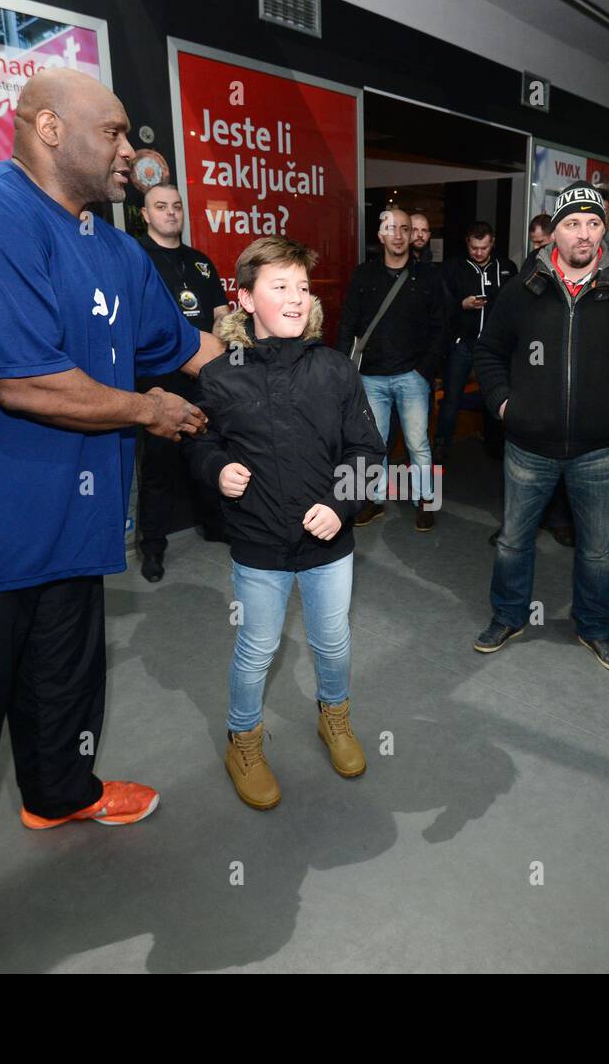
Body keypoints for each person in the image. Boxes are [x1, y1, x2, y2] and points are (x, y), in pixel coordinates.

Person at [0, 68, 222, 974]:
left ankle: (59, 792)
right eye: (114, 132)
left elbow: (183, 349)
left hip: (70, 525)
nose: (132, 153)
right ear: (48, 128)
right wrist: (149, 412)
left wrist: (278, 350)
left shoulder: (112, 248)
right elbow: (22, 381)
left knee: (64, 687)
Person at [183, 236, 385, 810]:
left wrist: (341, 504)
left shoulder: (335, 370)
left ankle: (335, 719)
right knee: (257, 647)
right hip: (258, 544)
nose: (296, 298)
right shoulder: (221, 376)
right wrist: (217, 468)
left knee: (334, 641)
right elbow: (200, 444)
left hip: (330, 543)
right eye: (280, 287)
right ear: (245, 299)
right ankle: (242, 743)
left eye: (302, 287)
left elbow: (369, 452)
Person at [471, 181, 609, 671]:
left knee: (598, 550)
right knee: (515, 541)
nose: (584, 234)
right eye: (573, 223)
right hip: (527, 445)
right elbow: (489, 352)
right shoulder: (522, 289)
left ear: (605, 230)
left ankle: (597, 628)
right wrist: (502, 405)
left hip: (600, 449)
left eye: (594, 223)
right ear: (553, 232)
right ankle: (509, 616)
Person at [135, 182, 229, 581]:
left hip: (204, 380)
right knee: (157, 467)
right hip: (157, 383)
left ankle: (214, 525)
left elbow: (222, 313)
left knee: (207, 454)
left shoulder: (200, 262)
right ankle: (152, 547)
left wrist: (219, 344)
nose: (171, 212)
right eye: (161, 206)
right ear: (145, 214)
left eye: (176, 206)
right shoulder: (134, 258)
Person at [337, 206, 447, 531]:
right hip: (370, 377)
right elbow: (347, 324)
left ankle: (427, 500)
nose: (398, 235)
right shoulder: (363, 275)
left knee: (418, 443)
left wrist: (425, 371)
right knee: (374, 442)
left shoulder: (428, 276)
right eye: (391, 228)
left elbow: (442, 327)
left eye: (404, 228)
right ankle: (374, 500)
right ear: (380, 234)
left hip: (413, 377)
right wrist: (344, 370)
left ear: (412, 235)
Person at [436, 221, 518, 464]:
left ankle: (494, 445)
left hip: (494, 347)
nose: (479, 253)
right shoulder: (454, 268)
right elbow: (440, 305)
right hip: (463, 343)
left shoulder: (507, 268)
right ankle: (442, 444)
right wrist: (462, 304)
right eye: (474, 248)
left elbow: (515, 305)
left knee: (494, 396)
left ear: (492, 243)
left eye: (483, 247)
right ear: (467, 244)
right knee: (451, 398)